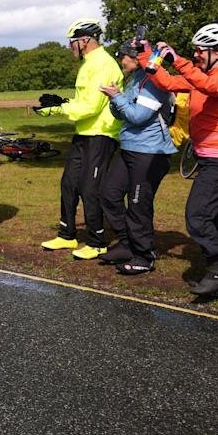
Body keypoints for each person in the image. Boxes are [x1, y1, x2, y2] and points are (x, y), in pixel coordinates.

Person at [151, 23, 218, 296]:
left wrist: (177, 59)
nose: (194, 56)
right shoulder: (203, 76)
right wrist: (152, 55)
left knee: (198, 216)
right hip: (211, 157)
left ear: (217, 52)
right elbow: (168, 82)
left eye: (198, 51)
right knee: (209, 216)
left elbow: (211, 86)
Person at [36, 19, 121, 259]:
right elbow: (82, 102)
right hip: (84, 133)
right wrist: (60, 104)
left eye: (72, 42)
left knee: (89, 188)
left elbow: (92, 106)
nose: (70, 46)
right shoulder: (88, 63)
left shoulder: (104, 64)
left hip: (101, 134)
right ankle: (67, 235)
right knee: (69, 184)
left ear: (85, 41)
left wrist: (59, 109)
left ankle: (97, 241)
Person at [97, 40, 177, 274]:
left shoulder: (153, 82)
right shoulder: (135, 79)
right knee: (109, 194)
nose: (121, 60)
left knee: (137, 204)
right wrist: (115, 98)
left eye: (124, 56)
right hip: (130, 147)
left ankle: (144, 255)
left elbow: (137, 116)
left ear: (137, 58)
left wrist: (117, 98)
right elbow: (122, 114)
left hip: (150, 152)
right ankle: (127, 243)